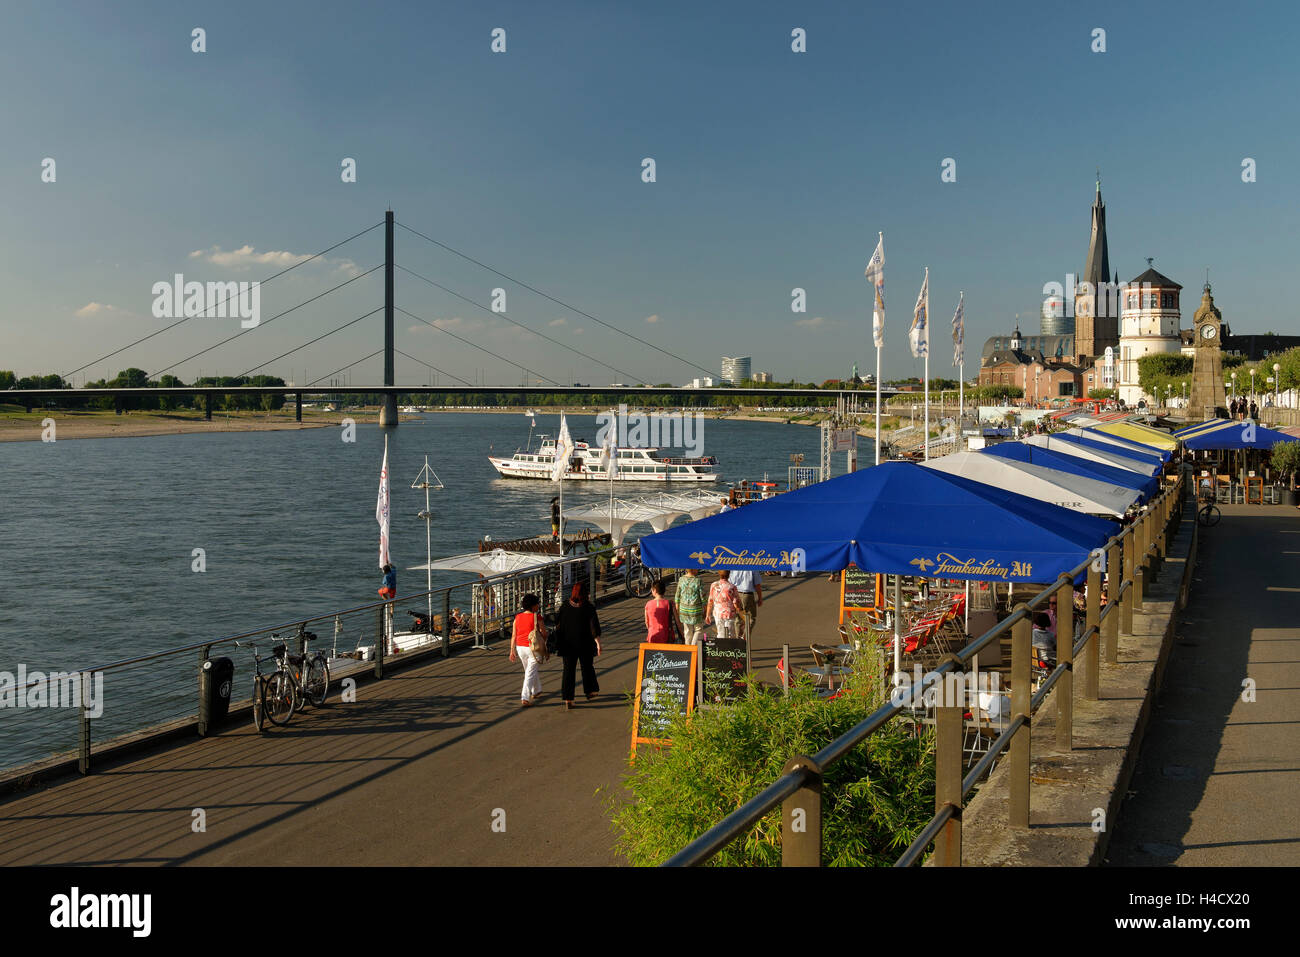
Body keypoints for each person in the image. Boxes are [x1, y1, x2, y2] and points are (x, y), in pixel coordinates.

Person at [554, 582, 602, 709]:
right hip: (585, 643)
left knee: (568, 671)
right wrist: (598, 643)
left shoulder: (564, 606)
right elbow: (594, 627)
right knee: (587, 667)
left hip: (567, 644)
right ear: (586, 593)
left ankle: (568, 698)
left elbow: (557, 623)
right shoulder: (588, 607)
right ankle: (590, 691)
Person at [508, 593, 547, 707]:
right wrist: (544, 641)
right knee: (530, 673)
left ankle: (537, 690)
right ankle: (525, 697)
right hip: (533, 648)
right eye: (537, 604)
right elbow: (543, 632)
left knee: (529, 671)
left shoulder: (518, 617)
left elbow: (514, 635)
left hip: (520, 648)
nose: (538, 606)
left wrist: (512, 650)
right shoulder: (537, 617)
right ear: (532, 606)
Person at [674, 567, 707, 644]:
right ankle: (693, 647)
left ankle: (688, 650)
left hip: (684, 610)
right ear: (694, 569)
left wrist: (677, 608)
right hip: (696, 610)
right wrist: (705, 609)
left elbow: (677, 596)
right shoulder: (698, 580)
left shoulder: (681, 579)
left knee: (687, 631)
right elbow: (703, 597)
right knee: (698, 630)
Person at [705, 569, 741, 639]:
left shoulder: (713, 585)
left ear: (719, 574)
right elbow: (736, 602)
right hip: (729, 613)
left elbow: (710, 601)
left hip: (718, 613)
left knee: (720, 633)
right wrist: (739, 610)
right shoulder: (732, 587)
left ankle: (721, 647)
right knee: (730, 633)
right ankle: (729, 648)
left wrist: (708, 614)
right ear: (729, 574)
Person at [729, 568, 762, 639]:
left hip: (735, 593)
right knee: (751, 618)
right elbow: (757, 585)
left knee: (738, 618)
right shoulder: (753, 568)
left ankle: (738, 639)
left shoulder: (733, 567)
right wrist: (760, 597)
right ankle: (745, 635)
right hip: (747, 595)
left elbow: (730, 582)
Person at [644, 579, 674, 643]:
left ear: (654, 590)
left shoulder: (648, 604)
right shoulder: (669, 603)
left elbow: (647, 622)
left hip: (652, 635)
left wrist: (651, 630)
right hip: (665, 635)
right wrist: (682, 635)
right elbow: (677, 621)